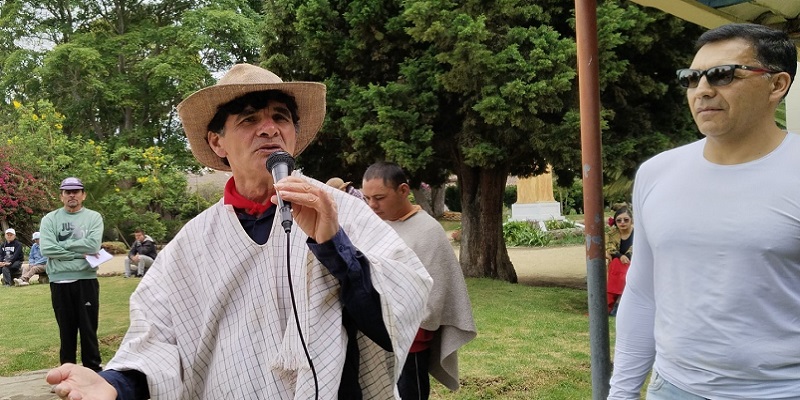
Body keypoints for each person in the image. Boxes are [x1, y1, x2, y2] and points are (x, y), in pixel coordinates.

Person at [46, 63, 433, 400]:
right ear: (217, 142)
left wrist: (335, 247)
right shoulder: (194, 242)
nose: (269, 129)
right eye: (249, 119)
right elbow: (159, 336)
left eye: (281, 117)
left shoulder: (339, 211)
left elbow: (394, 316)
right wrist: (115, 383)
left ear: (294, 134)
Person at [609, 23, 799, 399]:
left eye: (723, 75)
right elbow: (644, 290)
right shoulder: (656, 173)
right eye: (692, 78)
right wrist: (623, 392)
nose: (703, 90)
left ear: (777, 85)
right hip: (674, 388)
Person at [362, 162, 477, 400]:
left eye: (379, 197)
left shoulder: (427, 231)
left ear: (403, 191)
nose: (372, 205)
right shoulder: (374, 227)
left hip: (411, 340)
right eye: (367, 198)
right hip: (371, 335)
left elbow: (435, 294)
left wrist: (403, 322)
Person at [39, 177, 105, 373]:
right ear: (61, 196)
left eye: (76, 191)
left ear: (83, 195)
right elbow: (47, 248)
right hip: (59, 281)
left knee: (88, 329)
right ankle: (67, 371)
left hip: (86, 280)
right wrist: (78, 253)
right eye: (67, 192)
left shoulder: (93, 217)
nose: (72, 195)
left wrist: (63, 250)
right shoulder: (50, 219)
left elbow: (93, 246)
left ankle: (93, 370)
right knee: (66, 331)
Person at [605, 207, 633, 316]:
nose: (622, 223)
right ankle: (618, 302)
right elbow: (609, 247)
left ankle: (617, 302)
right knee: (617, 263)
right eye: (619, 220)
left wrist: (626, 257)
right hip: (617, 265)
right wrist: (620, 256)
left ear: (631, 220)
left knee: (621, 266)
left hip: (633, 265)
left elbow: (637, 249)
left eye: (626, 220)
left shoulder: (638, 234)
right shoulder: (612, 233)